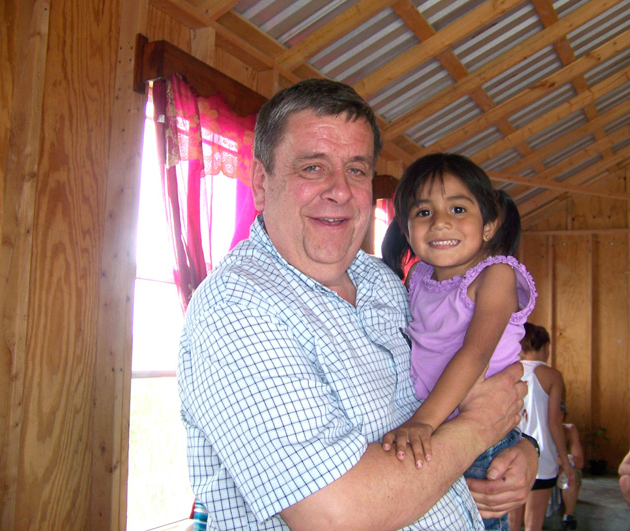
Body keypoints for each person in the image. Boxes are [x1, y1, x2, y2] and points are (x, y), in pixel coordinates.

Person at [177, 78, 538, 530]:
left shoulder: (383, 281)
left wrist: (517, 446)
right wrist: (480, 429)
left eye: (357, 170)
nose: (340, 191)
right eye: (312, 167)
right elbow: (336, 515)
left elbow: (452, 382)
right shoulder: (238, 309)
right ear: (261, 183)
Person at [379, 153, 537, 530]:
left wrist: (422, 422)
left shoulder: (495, 274)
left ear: (488, 225)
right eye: (423, 213)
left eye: (458, 208)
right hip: (437, 428)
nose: (441, 222)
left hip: (475, 437)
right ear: (407, 227)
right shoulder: (417, 276)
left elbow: (476, 353)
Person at [509, 323, 575, 531]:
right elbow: (554, 422)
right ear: (546, 345)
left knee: (511, 522)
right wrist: (565, 460)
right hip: (542, 456)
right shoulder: (552, 375)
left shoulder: (509, 371)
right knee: (533, 524)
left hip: (510, 453)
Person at [557, 404, 584, 531]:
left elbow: (579, 462)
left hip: (562, 470)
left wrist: (564, 462)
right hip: (542, 471)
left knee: (571, 473)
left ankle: (568, 516)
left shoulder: (569, 430)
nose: (559, 416)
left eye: (561, 412)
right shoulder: (537, 429)